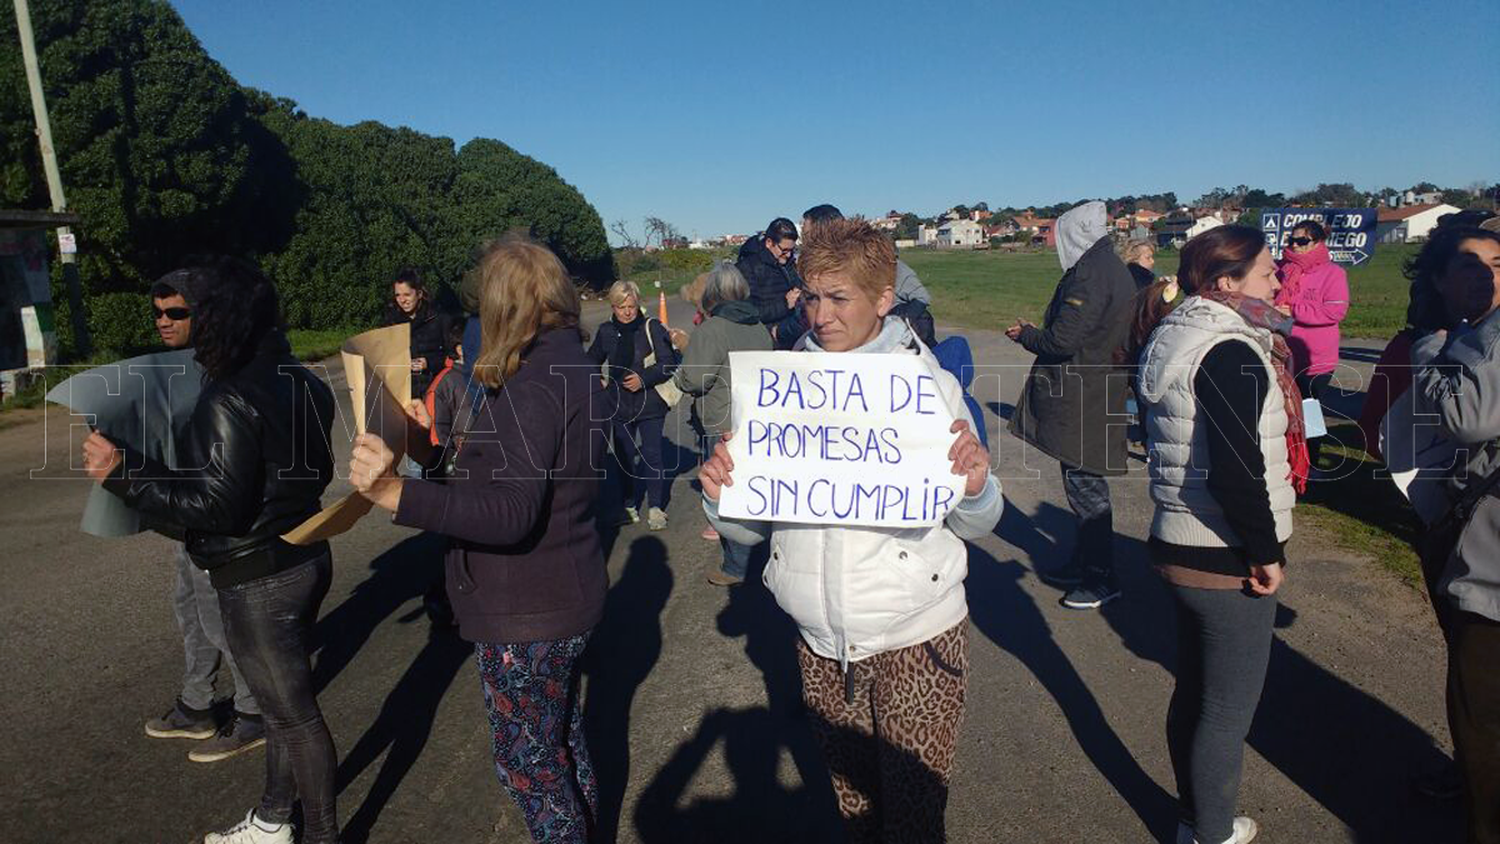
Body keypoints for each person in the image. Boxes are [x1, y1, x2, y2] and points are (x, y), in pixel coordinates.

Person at [701, 218, 1003, 843]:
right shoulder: (778, 390)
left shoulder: (929, 387)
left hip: (917, 637)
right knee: (856, 814)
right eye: (811, 296)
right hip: (817, 644)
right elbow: (754, 528)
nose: (821, 315)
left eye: (839, 298)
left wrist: (976, 488)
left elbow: (977, 518)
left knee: (914, 820)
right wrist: (721, 494)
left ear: (883, 300)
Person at [346, 236, 608, 844]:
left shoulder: (533, 383)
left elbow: (511, 511)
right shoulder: (566, 365)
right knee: (562, 747)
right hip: (565, 589)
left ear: (503, 308)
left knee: (532, 768)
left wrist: (394, 493)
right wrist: (429, 447)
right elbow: (515, 470)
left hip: (529, 606)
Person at [81, 257, 339, 844]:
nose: (175, 321)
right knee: (281, 709)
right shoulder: (305, 379)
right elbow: (316, 469)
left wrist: (125, 473)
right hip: (306, 554)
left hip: (257, 574)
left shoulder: (227, 394)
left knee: (294, 717)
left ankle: (323, 834)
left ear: (222, 317)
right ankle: (275, 818)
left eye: (193, 311)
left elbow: (216, 508)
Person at [1133, 225, 1306, 844]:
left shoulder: (1180, 332)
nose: (1278, 281)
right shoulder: (1229, 349)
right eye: (1266, 273)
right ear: (1227, 283)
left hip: (1178, 543)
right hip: (1223, 553)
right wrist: (1265, 553)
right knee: (1226, 710)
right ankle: (1209, 831)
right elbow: (1238, 471)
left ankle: (1193, 817)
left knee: (1198, 695)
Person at [142, 271, 267, 764]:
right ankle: (197, 703)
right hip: (189, 509)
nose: (163, 322)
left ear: (206, 315)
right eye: (157, 313)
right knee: (189, 608)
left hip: (218, 515)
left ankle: (254, 711)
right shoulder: (181, 366)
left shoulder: (226, 369)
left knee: (218, 615)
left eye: (176, 312)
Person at [1411, 230, 1500, 844]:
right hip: (1466, 524)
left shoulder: (1487, 337)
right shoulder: (1474, 331)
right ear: (1439, 281)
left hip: (1489, 552)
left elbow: (1467, 418)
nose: (1485, 276)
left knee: (1480, 702)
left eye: (1493, 264)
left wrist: (1427, 355)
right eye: (1467, 266)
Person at [1005, 200, 1136, 609]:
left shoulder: (1091, 275)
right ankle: (1085, 562)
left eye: (1052, 232)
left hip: (1087, 392)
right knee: (1081, 482)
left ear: (1073, 234)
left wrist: (1026, 334)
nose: (1047, 238)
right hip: (1093, 387)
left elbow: (1062, 340)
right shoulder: (1104, 266)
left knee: (1086, 487)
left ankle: (1101, 578)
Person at [672, 260, 770, 585]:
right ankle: (751, 559)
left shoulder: (712, 329)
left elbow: (696, 379)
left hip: (719, 420)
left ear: (713, 294)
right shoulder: (759, 327)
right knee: (747, 491)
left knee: (723, 495)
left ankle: (734, 567)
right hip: (754, 421)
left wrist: (680, 374)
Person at [587, 280, 678, 530]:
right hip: (618, 405)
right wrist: (600, 380)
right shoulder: (606, 331)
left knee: (652, 455)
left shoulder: (652, 327)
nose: (627, 312)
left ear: (638, 304)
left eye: (632, 306)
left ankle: (656, 508)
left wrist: (643, 379)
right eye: (621, 307)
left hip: (650, 403)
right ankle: (628, 506)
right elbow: (590, 360)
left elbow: (668, 363)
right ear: (613, 306)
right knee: (624, 457)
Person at [803, 203, 937, 345]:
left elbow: (921, 297)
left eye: (839, 299)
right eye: (812, 298)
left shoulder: (884, 264)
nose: (821, 318)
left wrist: (895, 326)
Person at [1274, 220, 1349, 472]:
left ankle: (1312, 460)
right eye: (1291, 241)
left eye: (1302, 241)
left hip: (1316, 357)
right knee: (1282, 409)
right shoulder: (1281, 270)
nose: (1295, 245)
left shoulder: (1333, 273)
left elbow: (1335, 311)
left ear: (1318, 242)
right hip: (1283, 353)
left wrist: (1294, 310)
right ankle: (1287, 457)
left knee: (1310, 409)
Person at [384, 267, 454, 400]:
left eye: (407, 294)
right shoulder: (391, 322)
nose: (402, 300)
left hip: (435, 390)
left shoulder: (439, 319)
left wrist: (429, 363)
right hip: (403, 393)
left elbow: (452, 356)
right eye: (398, 295)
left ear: (419, 293)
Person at [736, 216, 805, 349]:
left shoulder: (788, 264)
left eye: (792, 250)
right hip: (762, 342)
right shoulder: (747, 268)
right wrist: (785, 304)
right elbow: (746, 312)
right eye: (784, 250)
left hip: (788, 338)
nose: (789, 255)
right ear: (769, 243)